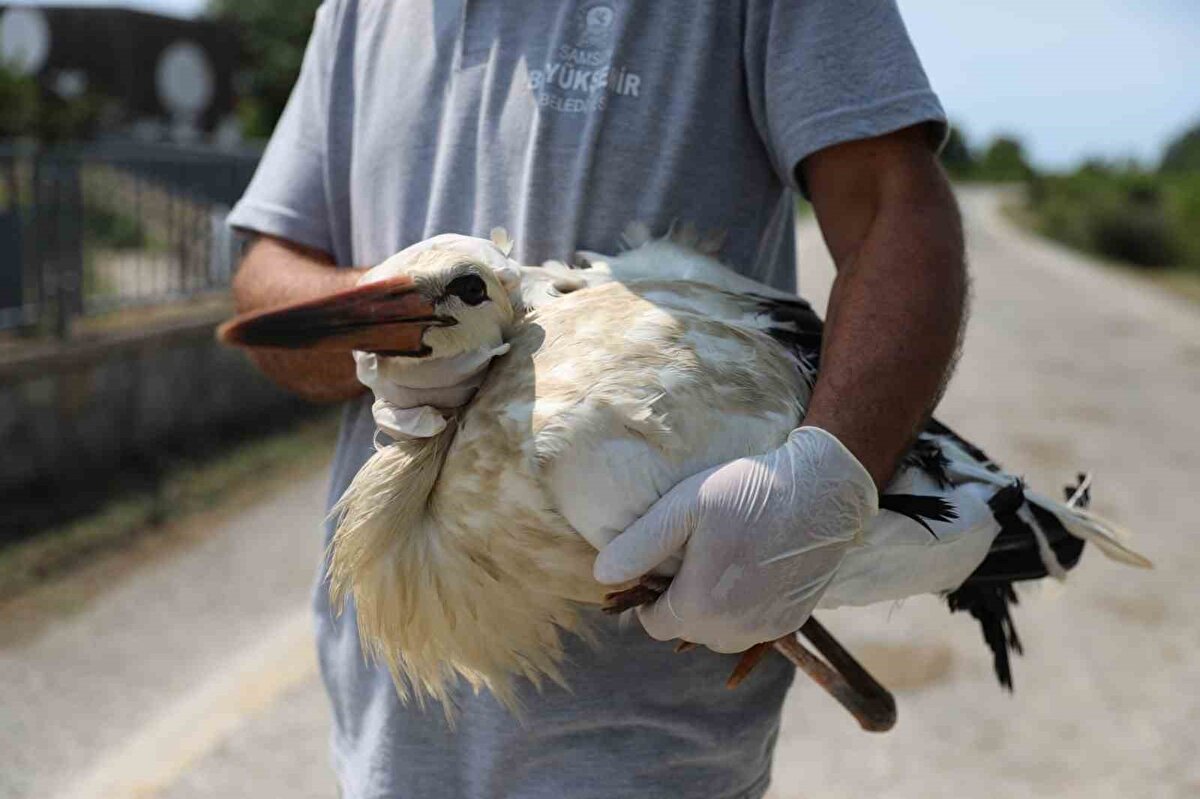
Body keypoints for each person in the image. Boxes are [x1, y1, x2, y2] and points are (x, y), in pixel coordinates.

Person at [227, 1, 966, 796]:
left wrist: (823, 482)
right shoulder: (362, 9)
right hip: (389, 726)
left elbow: (896, 208)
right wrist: (400, 329)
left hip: (643, 752)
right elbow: (265, 283)